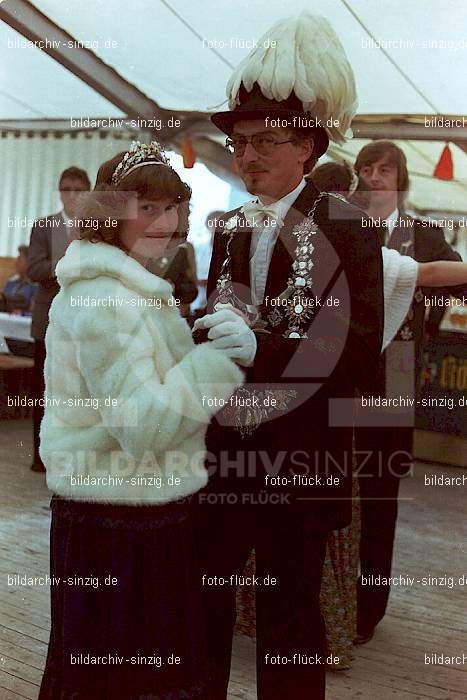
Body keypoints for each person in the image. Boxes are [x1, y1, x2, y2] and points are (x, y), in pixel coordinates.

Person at [192, 13, 384, 699]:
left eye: (262, 142)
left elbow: (358, 354)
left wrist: (265, 350)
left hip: (300, 463)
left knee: (290, 622)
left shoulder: (350, 230)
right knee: (204, 608)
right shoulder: (230, 230)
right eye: (237, 143)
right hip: (224, 459)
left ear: (306, 146)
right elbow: (221, 314)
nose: (244, 157)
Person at [38, 141, 243, 700]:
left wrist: (202, 339)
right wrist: (220, 362)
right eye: (144, 207)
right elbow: (143, 426)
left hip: (130, 510)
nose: (164, 221)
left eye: (171, 206)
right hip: (117, 522)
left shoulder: (134, 288)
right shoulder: (107, 298)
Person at [353, 140, 467, 644]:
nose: (375, 177)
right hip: (346, 368)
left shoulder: (422, 233)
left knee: (379, 491)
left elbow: (456, 283)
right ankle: (331, 597)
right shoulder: (345, 226)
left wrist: (424, 317)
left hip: (397, 367)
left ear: (401, 178)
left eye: (385, 169)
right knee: (333, 484)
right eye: (366, 168)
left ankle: (368, 607)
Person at [27, 166, 91, 472]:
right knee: (44, 387)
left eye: (80, 189)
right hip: (48, 320)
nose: (73, 195)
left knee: (77, 390)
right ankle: (40, 456)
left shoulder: (96, 228)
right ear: (60, 192)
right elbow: (34, 269)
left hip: (83, 321)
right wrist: (66, 265)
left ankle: (72, 453)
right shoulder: (44, 226)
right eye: (67, 189)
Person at [0, 245, 37, 314]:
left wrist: (22, 313)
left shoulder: (36, 287)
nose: (16, 262)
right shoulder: (10, 283)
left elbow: (35, 313)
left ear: (29, 262)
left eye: (19, 259)